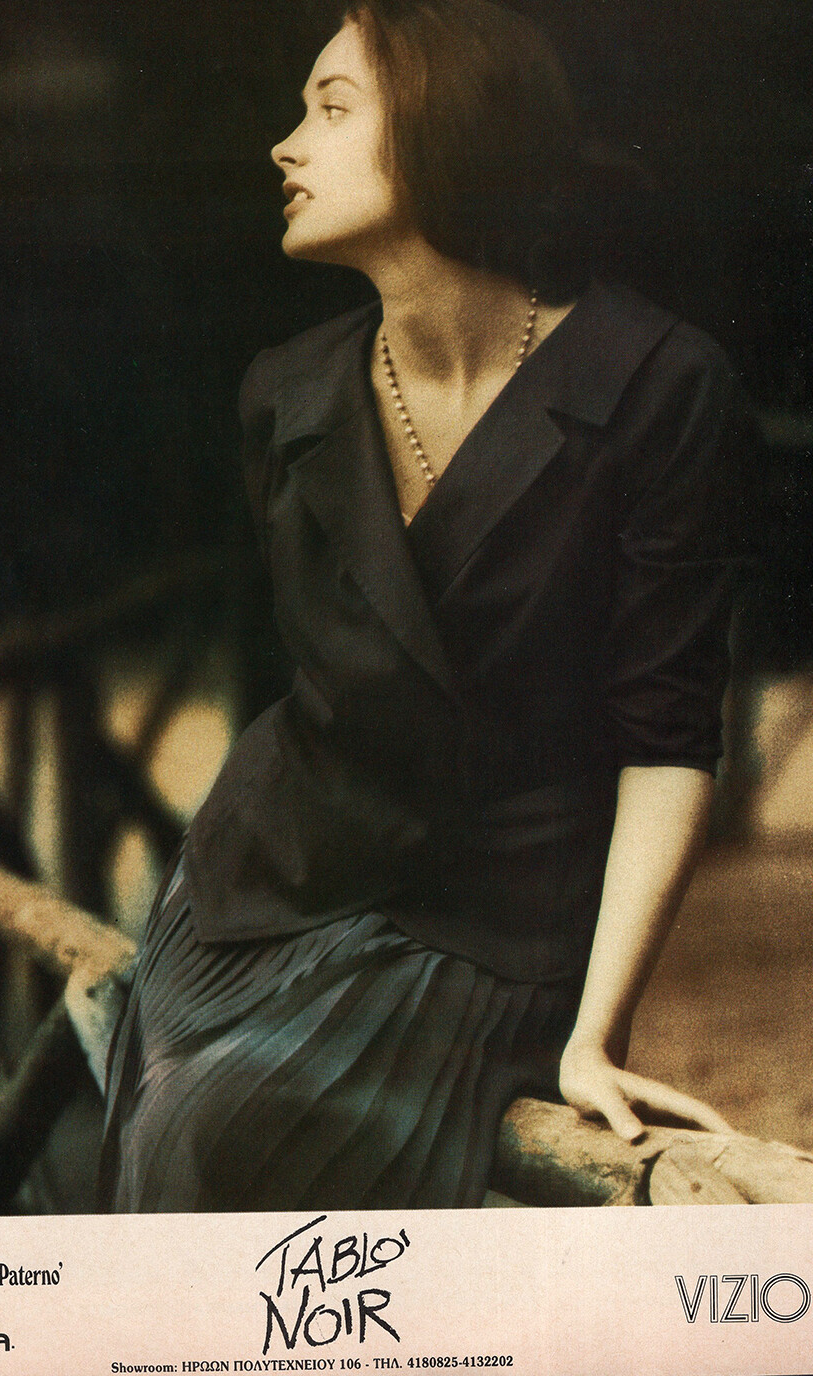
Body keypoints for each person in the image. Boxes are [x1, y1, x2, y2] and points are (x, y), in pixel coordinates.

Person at [99, 0, 750, 1212]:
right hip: (259, 890)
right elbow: (313, 687)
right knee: (155, 1119)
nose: (285, 144)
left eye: (330, 107)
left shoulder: (655, 382)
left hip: (490, 924)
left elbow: (665, 736)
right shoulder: (284, 392)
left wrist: (594, 1030)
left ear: (449, 127)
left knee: (202, 1135)